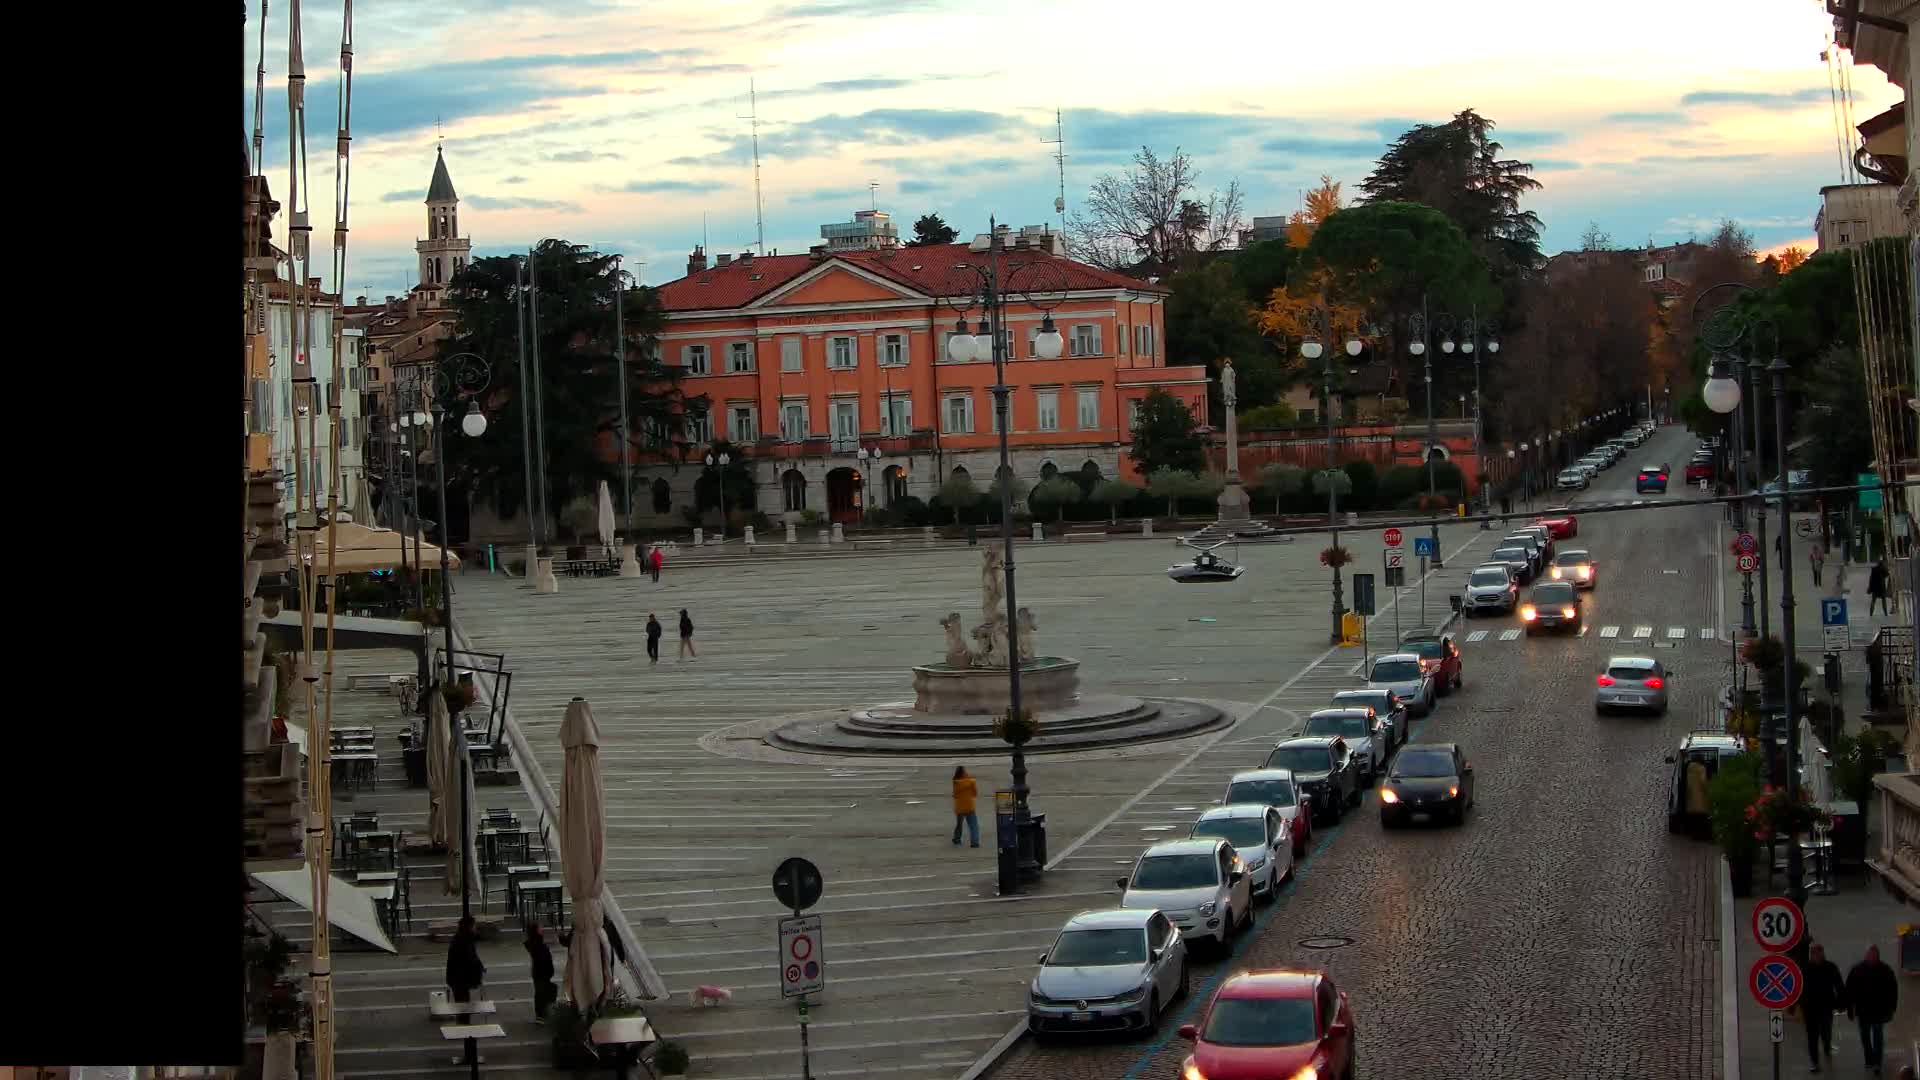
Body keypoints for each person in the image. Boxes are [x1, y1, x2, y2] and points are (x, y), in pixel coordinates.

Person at [1848, 943, 1900, 1075]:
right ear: (1866, 956)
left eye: (1874, 956)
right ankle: (1869, 1059)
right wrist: (1850, 1008)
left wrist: (1892, 1007)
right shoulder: (1857, 970)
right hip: (1863, 1011)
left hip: (1879, 1011)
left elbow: (1893, 990)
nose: (1872, 958)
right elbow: (1850, 990)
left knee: (1878, 1037)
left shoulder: (1886, 970)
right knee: (1865, 1037)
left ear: (1878, 956)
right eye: (1870, 955)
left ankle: (1877, 1063)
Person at [1801, 941, 1847, 1071]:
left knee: (1826, 1031)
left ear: (1822, 954)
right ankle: (1814, 1061)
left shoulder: (1830, 967)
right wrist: (1795, 1005)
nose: (1815, 956)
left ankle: (1826, 1046)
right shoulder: (1805, 969)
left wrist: (1841, 1003)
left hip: (1826, 1007)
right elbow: (1798, 988)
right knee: (1812, 1036)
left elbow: (1839, 985)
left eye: (1818, 953)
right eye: (1813, 954)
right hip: (1810, 1009)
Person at [445, 914, 486, 1013]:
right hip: (459, 979)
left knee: (462, 1005)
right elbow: (469, 960)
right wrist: (479, 968)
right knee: (462, 1006)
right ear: (469, 927)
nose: (475, 928)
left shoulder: (462, 939)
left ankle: (462, 1023)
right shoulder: (463, 941)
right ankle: (463, 1025)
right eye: (473, 926)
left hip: (457, 979)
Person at [525, 921, 557, 1023]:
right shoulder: (538, 945)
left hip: (540, 973)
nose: (542, 929)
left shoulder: (536, 944)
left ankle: (543, 1012)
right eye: (540, 928)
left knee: (545, 991)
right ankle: (541, 1014)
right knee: (542, 992)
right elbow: (544, 959)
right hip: (541, 973)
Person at [951, 765, 979, 848]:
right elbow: (975, 793)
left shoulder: (956, 782)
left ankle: (957, 839)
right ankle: (974, 842)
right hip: (969, 806)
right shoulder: (971, 782)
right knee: (973, 825)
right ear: (964, 773)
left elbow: (955, 795)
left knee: (959, 824)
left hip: (959, 807)